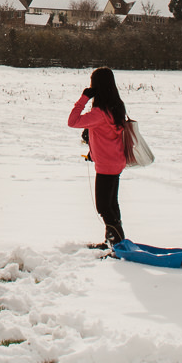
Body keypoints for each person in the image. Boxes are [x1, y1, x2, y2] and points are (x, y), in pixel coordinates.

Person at [67, 67, 129, 248]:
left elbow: (72, 121)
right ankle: (113, 242)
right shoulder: (116, 106)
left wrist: (84, 97)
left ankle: (117, 245)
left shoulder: (100, 113)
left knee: (103, 207)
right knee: (111, 204)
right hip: (116, 161)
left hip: (106, 165)